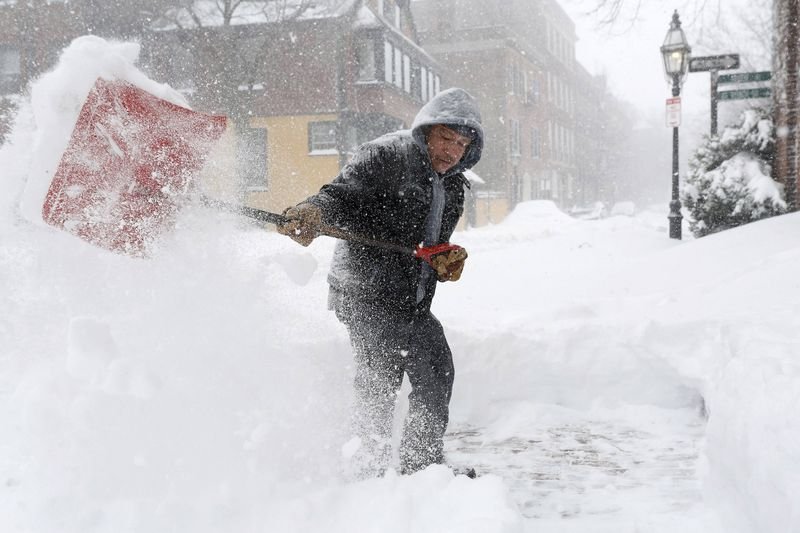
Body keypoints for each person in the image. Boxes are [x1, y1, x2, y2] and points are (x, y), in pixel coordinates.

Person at [278, 88, 483, 478]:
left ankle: (422, 467)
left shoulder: (454, 184)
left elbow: (430, 243)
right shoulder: (385, 156)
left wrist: (443, 257)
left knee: (437, 370)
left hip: (411, 300)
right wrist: (313, 211)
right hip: (365, 291)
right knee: (379, 380)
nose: (452, 151)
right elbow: (340, 196)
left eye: (462, 144)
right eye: (445, 138)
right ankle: (367, 471)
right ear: (426, 130)